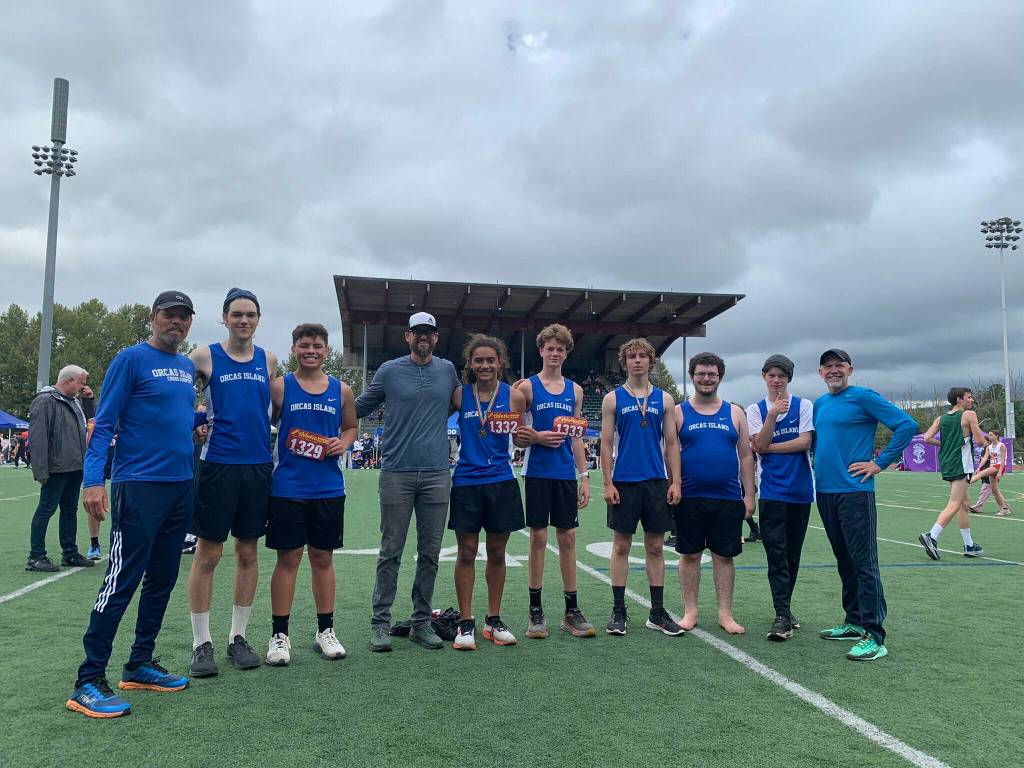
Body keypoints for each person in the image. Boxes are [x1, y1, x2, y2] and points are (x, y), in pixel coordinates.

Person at [66, 291, 198, 718]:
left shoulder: (185, 366)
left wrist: (196, 428)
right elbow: (104, 424)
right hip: (138, 486)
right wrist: (93, 481)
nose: (176, 323)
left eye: (183, 317)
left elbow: (169, 419)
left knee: (162, 579)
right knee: (121, 580)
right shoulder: (130, 359)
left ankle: (140, 663)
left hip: (180, 486)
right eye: (169, 316)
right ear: (153, 318)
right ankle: (88, 680)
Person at [186, 288, 278, 677]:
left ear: (258, 319)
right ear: (224, 318)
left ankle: (237, 637)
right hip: (218, 465)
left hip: (257, 466)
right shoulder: (204, 355)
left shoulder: (268, 360)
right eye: (237, 314)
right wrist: (193, 425)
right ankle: (200, 643)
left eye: (251, 315)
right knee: (209, 554)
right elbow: (176, 394)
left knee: (248, 552)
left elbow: (273, 410)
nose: (244, 320)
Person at [356, 312, 460, 652]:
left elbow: (469, 403)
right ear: (408, 336)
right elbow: (357, 407)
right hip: (396, 472)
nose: (423, 338)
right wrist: (319, 408)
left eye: (429, 332)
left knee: (430, 553)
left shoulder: (447, 370)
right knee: (391, 551)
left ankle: (420, 622)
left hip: (436, 473)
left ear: (436, 336)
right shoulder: (388, 371)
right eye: (418, 333)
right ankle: (380, 624)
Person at [813, 348, 916, 661]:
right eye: (827, 366)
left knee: (863, 562)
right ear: (821, 372)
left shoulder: (863, 396)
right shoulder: (820, 403)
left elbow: (906, 425)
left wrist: (880, 463)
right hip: (826, 492)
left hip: (855, 492)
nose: (833, 370)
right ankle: (853, 620)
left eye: (839, 365)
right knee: (844, 559)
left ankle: (875, 635)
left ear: (850, 369)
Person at [265, 323, 356, 666]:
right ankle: (279, 634)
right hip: (288, 487)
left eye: (317, 345)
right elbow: (263, 422)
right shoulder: (280, 387)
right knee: (288, 559)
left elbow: (350, 427)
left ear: (326, 350)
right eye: (304, 345)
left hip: (328, 488)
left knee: (323, 558)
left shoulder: (341, 390)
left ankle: (325, 631)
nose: (311, 350)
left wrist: (343, 443)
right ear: (294, 349)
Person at [514, 323, 595, 639]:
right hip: (537, 473)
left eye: (560, 348)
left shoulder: (575, 390)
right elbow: (516, 434)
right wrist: (534, 436)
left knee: (568, 539)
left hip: (564, 474)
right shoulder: (526, 388)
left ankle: (571, 610)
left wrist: (585, 475)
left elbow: (576, 439)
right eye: (550, 347)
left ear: (566, 353)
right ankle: (535, 611)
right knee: (537, 538)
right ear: (541, 351)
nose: (555, 353)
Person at [601, 338, 682, 637]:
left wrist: (676, 481)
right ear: (624, 362)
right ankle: (618, 610)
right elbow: (606, 443)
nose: (637, 360)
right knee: (621, 546)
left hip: (656, 481)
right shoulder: (613, 399)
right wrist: (607, 482)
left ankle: (657, 612)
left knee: (655, 546)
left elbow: (672, 443)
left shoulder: (665, 400)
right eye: (631, 356)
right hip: (624, 481)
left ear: (651, 361)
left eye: (642, 356)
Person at [449, 335, 526, 650]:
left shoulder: (515, 397)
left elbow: (519, 440)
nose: (484, 365)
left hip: (501, 480)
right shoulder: (458, 395)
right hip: (466, 481)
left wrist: (528, 437)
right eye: (478, 360)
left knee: (496, 552)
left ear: (500, 362)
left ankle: (492, 619)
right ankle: (465, 623)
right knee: (466, 552)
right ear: (470, 363)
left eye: (490, 360)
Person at [674, 352, 755, 635]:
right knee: (690, 555)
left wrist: (749, 495)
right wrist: (673, 485)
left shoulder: (735, 412)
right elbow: (669, 453)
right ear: (692, 376)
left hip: (729, 497)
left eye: (711, 374)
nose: (706, 379)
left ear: (719, 377)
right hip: (689, 498)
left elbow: (746, 455)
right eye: (700, 374)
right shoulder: (679, 411)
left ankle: (725, 613)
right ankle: (690, 611)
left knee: (724, 556)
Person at [746, 354, 815, 641]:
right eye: (772, 375)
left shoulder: (804, 405)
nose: (776, 380)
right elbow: (757, 444)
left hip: (800, 491)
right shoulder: (756, 409)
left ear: (789, 378)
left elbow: (804, 442)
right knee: (776, 554)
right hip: (772, 491)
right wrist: (772, 415)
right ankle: (782, 614)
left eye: (782, 376)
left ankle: (785, 608)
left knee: (792, 555)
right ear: (764, 376)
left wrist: (769, 448)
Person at [26, 365, 96, 572]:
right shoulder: (45, 400)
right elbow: (37, 438)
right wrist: (40, 471)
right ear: (69, 381)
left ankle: (70, 553)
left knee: (69, 510)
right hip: (57, 467)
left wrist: (88, 400)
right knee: (46, 510)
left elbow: (89, 423)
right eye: (81, 382)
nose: (83, 386)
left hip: (75, 466)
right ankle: (36, 557)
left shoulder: (72, 401)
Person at [918, 388, 990, 559]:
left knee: (964, 504)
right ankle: (932, 535)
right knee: (955, 502)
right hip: (961, 464)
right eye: (969, 397)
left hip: (948, 462)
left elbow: (926, 437)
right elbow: (980, 440)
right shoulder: (969, 414)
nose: (972, 400)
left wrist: (944, 444)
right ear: (959, 400)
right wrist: (987, 444)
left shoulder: (941, 418)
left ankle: (969, 545)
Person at [970, 430, 1011, 516]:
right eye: (989, 435)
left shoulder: (1002, 446)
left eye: (991, 435)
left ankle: (966, 482)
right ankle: (1004, 509)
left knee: (981, 474)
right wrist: (979, 467)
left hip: (998, 466)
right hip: (993, 466)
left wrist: (999, 472)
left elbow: (1003, 460)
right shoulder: (989, 447)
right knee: (994, 490)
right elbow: (985, 458)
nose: (989, 437)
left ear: (996, 436)